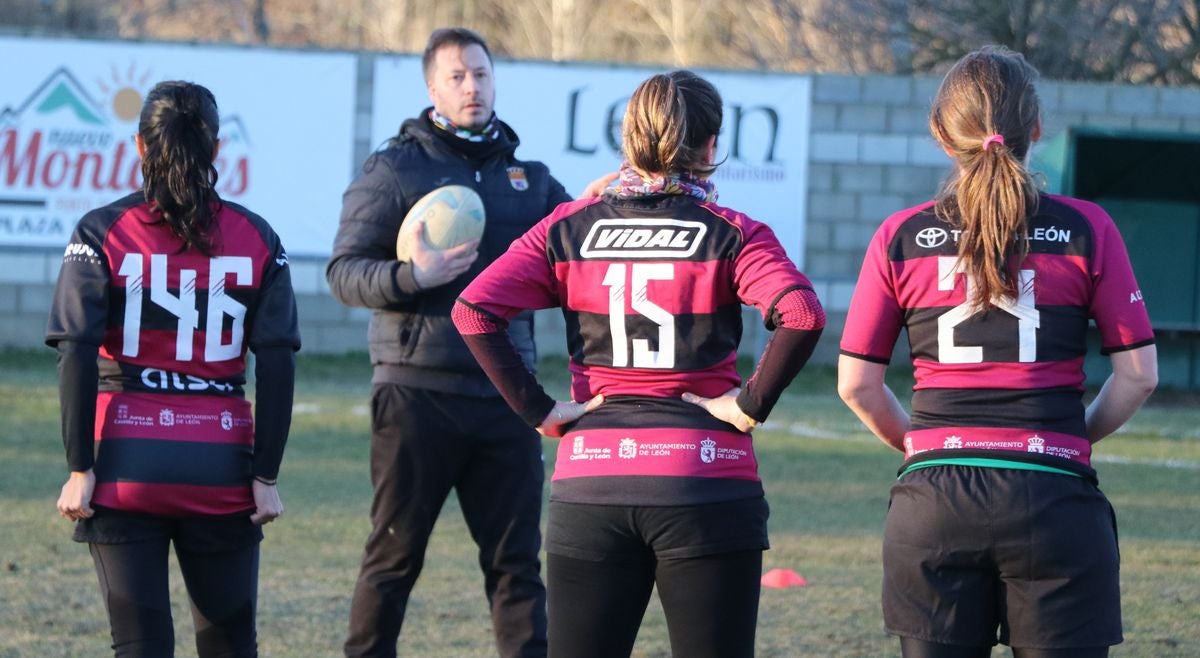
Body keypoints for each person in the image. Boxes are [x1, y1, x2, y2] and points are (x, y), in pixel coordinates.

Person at [453, 69, 827, 658]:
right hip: (706, 476)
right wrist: (750, 404)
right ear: (710, 148)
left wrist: (542, 411)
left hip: (592, 479)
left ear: (629, 142)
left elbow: (473, 310)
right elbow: (801, 314)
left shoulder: (569, 226)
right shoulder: (732, 233)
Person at [837, 46, 1158, 658]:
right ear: (1036, 130)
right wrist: (1070, 438)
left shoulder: (901, 235)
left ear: (940, 134)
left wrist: (922, 443)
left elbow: (856, 384)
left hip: (932, 502)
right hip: (1054, 498)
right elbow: (1138, 376)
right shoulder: (1087, 228)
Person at [327, 27, 573, 658]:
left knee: (517, 566)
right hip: (417, 396)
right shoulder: (394, 168)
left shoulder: (531, 179)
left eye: (482, 74)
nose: (472, 86)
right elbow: (344, 271)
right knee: (394, 559)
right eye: (458, 76)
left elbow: (580, 250)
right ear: (433, 87)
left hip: (506, 398)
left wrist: (604, 202)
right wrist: (414, 276)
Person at [47, 80, 300, 658]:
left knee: (140, 647)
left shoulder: (98, 232)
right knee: (229, 645)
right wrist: (265, 476)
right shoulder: (259, 238)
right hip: (221, 464)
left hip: (124, 461)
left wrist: (80, 467)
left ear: (140, 147)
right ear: (216, 149)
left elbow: (77, 351)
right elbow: (279, 360)